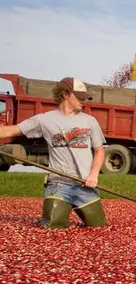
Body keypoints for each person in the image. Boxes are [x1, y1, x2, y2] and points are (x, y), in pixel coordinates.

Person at [0, 77, 107, 228]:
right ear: (65, 95)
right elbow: (12, 130)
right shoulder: (44, 120)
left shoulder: (90, 121)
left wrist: (94, 174)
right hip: (58, 185)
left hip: (85, 185)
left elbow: (99, 150)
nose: (83, 101)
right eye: (79, 97)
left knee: (98, 227)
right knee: (52, 226)